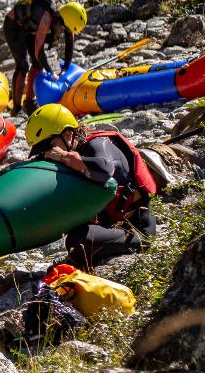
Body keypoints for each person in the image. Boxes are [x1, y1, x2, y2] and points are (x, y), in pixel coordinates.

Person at [26, 104, 158, 269]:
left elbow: (105, 170)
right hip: (114, 225)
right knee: (77, 234)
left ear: (68, 134)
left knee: (78, 240)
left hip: (137, 230)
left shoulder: (98, 144)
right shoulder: (75, 154)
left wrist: (65, 157)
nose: (48, 153)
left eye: (49, 146)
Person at [3, 0, 86, 114]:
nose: (64, 31)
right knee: (23, 66)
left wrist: (66, 66)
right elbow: (39, 49)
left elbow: (69, 40)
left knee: (37, 65)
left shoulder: (66, 16)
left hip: (31, 27)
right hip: (14, 25)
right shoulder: (47, 15)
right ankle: (16, 108)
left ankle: (29, 102)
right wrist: (50, 71)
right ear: (61, 19)